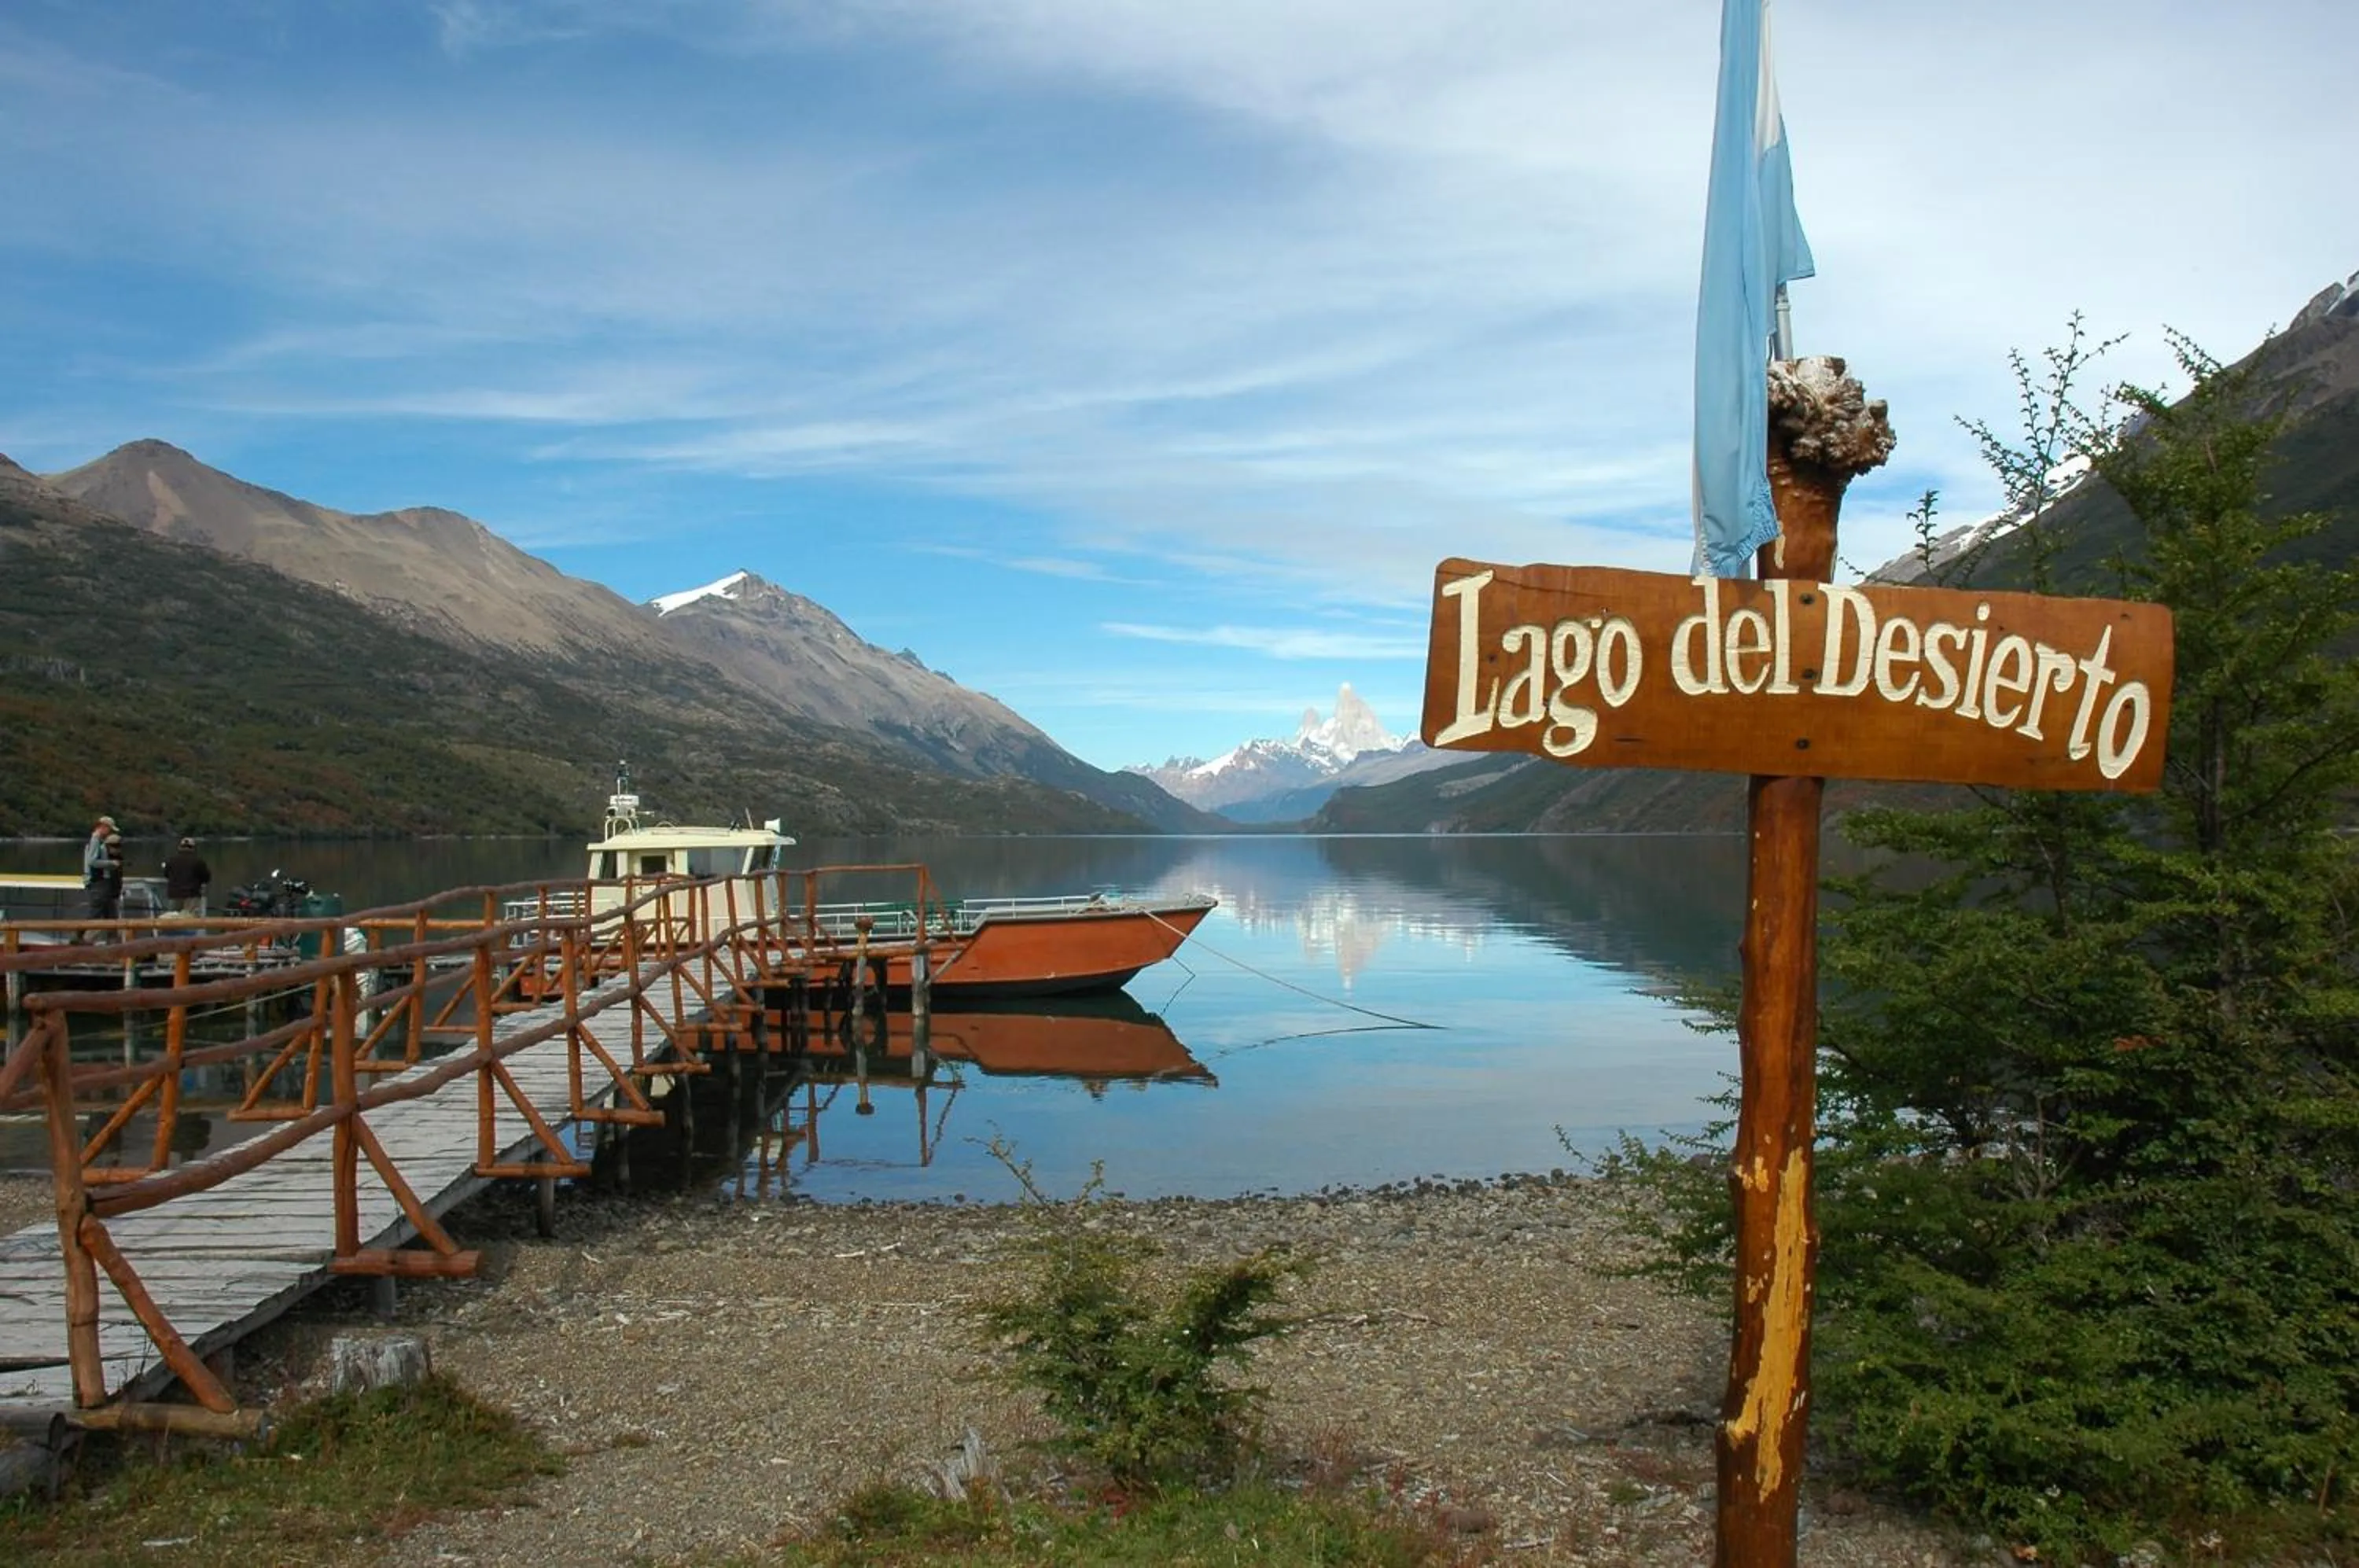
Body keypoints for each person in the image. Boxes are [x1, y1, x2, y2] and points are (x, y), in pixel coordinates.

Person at [163, 836, 212, 915]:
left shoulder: (171, 861)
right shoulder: (198, 862)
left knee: (173, 919)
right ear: (193, 848)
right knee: (190, 920)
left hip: (174, 895)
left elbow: (166, 874)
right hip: (192, 895)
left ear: (180, 847)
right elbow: (206, 878)